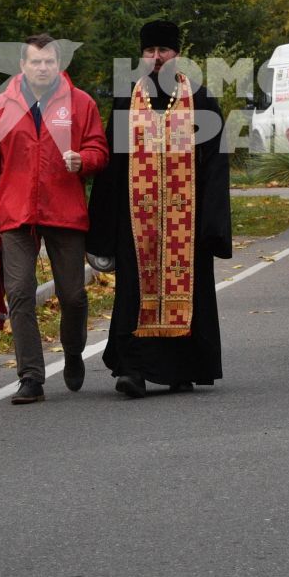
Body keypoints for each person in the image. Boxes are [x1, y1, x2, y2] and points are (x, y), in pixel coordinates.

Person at [86, 20, 233, 396]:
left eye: (162, 51)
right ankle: (132, 370)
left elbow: (216, 161)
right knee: (135, 293)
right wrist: (103, 228)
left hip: (187, 219)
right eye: (149, 52)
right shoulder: (127, 98)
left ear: (176, 55)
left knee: (189, 292)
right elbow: (112, 167)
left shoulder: (199, 97)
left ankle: (181, 369)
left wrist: (214, 221)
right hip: (136, 220)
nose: (156, 58)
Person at [0, 33, 109, 404]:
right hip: (17, 215)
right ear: (22, 66)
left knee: (73, 296)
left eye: (49, 61)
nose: (43, 67)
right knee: (18, 293)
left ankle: (74, 350)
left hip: (64, 212)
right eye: (36, 61)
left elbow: (99, 149)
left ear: (59, 65)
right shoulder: (0, 107)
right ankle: (30, 376)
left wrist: (85, 160)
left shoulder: (81, 104)